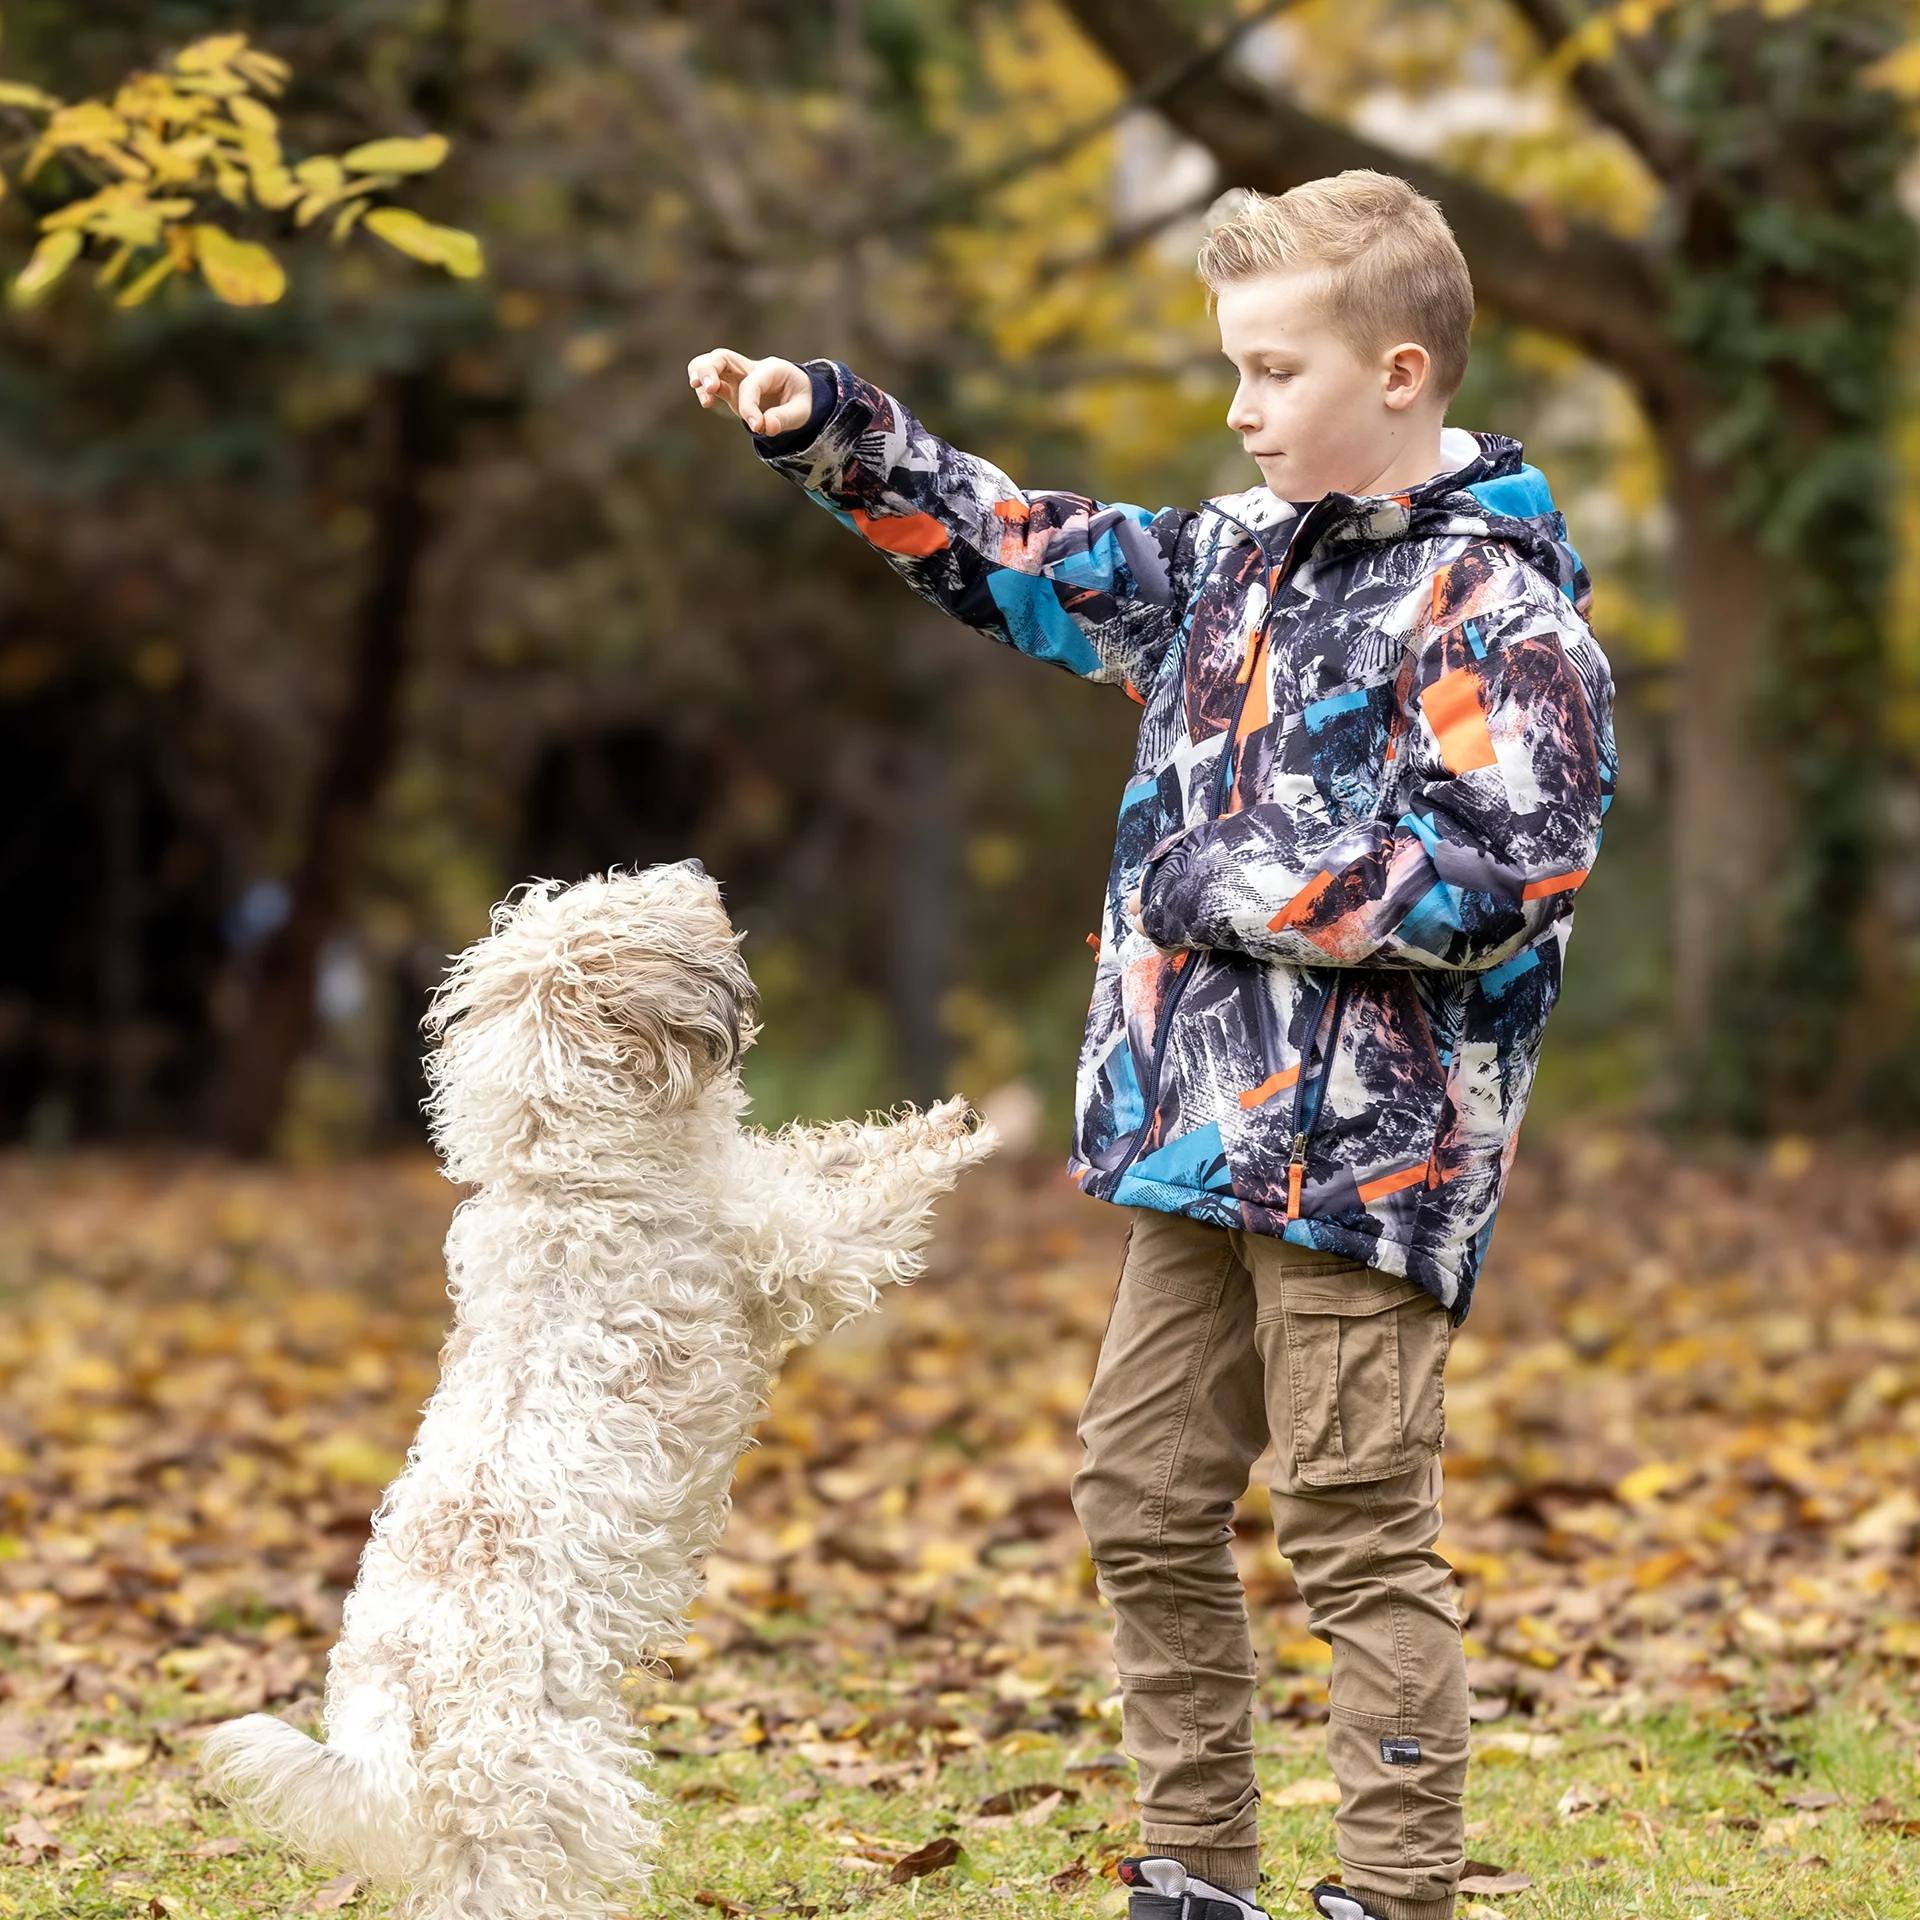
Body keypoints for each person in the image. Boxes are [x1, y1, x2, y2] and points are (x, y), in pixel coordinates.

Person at [689, 169, 1614, 1920]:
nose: (1240, 409)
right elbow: (1015, 546)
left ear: (1402, 375)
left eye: (1275, 372)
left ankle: (1394, 1890)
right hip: (1190, 1132)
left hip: (1370, 1161)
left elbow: (1508, 870)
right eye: (1235, 372)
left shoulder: (1502, 617)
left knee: (1354, 1526)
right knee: (1142, 1494)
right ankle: (1195, 1870)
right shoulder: (1218, 568)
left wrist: (1220, 879)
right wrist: (833, 430)